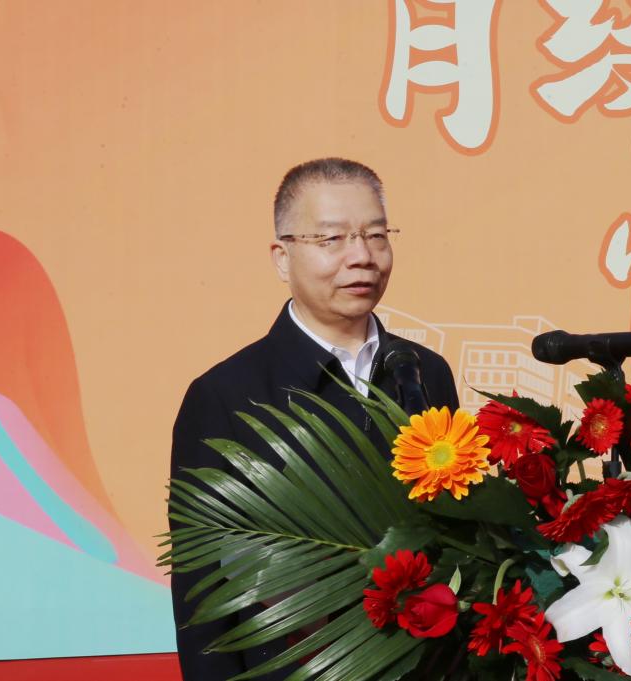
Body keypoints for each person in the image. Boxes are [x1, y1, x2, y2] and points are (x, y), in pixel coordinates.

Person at [168, 158, 459, 680]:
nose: (362, 257)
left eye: (376, 235)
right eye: (332, 239)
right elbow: (203, 593)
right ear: (282, 258)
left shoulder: (423, 372)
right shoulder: (226, 396)